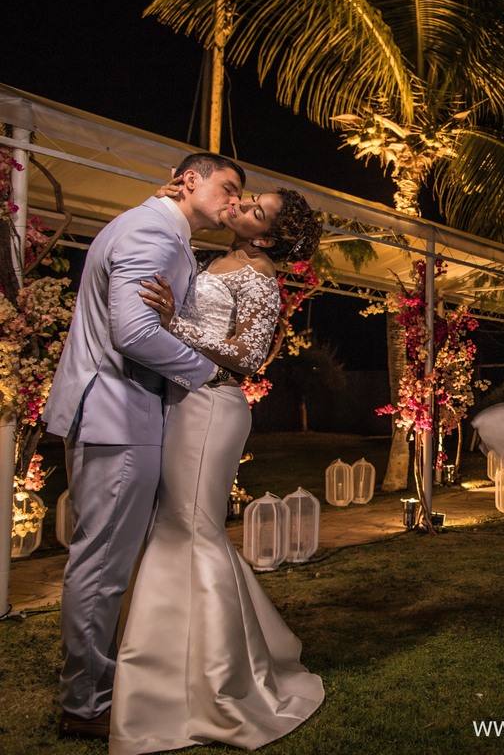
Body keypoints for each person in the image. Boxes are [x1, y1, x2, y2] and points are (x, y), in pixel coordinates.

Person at [108, 186, 326, 754]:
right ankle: (182, 670)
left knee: (192, 531)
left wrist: (171, 323)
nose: (243, 204)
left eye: (256, 210)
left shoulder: (258, 275)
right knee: (184, 530)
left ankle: (217, 684)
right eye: (249, 197)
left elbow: (250, 353)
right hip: (186, 401)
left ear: (269, 237)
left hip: (212, 407)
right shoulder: (220, 258)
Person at [43, 152, 244, 739]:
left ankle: (110, 682)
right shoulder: (150, 230)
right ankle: (85, 704)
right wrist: (206, 373)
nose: (234, 201)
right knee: (102, 563)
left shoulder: (165, 232)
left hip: (125, 415)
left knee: (113, 560)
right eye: (228, 187)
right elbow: (132, 333)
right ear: (189, 180)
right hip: (115, 417)